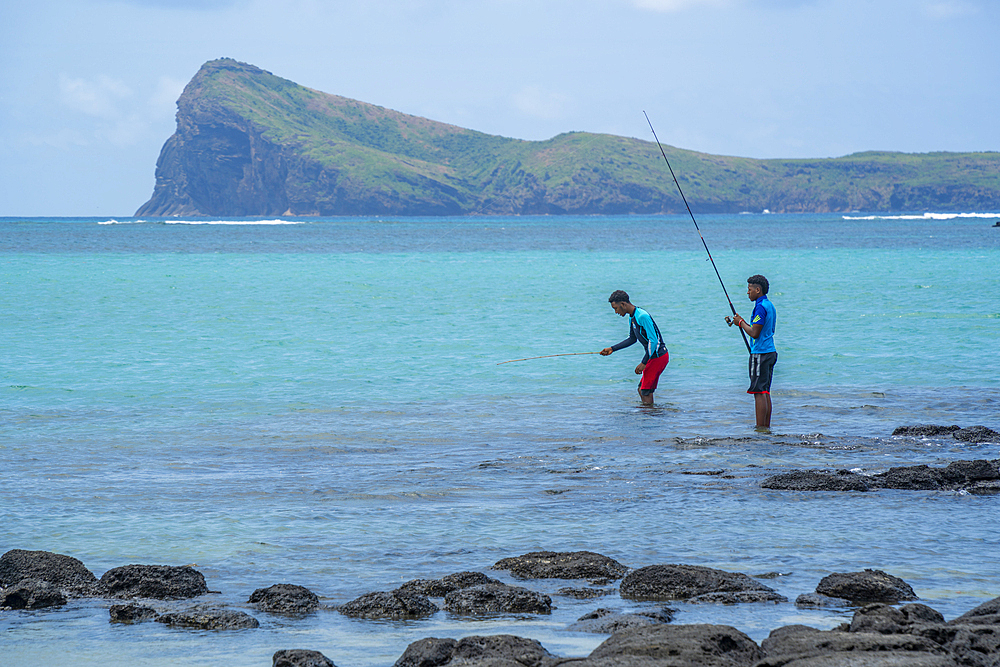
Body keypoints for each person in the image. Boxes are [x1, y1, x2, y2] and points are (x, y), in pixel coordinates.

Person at [600, 290, 669, 405]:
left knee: (645, 390)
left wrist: (644, 362)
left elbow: (654, 340)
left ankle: (649, 417)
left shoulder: (642, 316)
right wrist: (612, 348)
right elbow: (632, 339)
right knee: (642, 389)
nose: (616, 312)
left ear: (623, 304)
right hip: (652, 357)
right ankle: (649, 415)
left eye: (616, 308)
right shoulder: (632, 317)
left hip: (658, 356)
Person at [726, 275, 777, 429]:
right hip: (770, 352)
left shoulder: (760, 307)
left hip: (760, 354)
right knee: (765, 391)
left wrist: (740, 323)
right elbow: (757, 328)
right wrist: (741, 322)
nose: (747, 293)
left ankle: (760, 428)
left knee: (759, 392)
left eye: (749, 290)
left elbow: (754, 333)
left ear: (758, 290)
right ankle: (765, 428)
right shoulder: (769, 305)